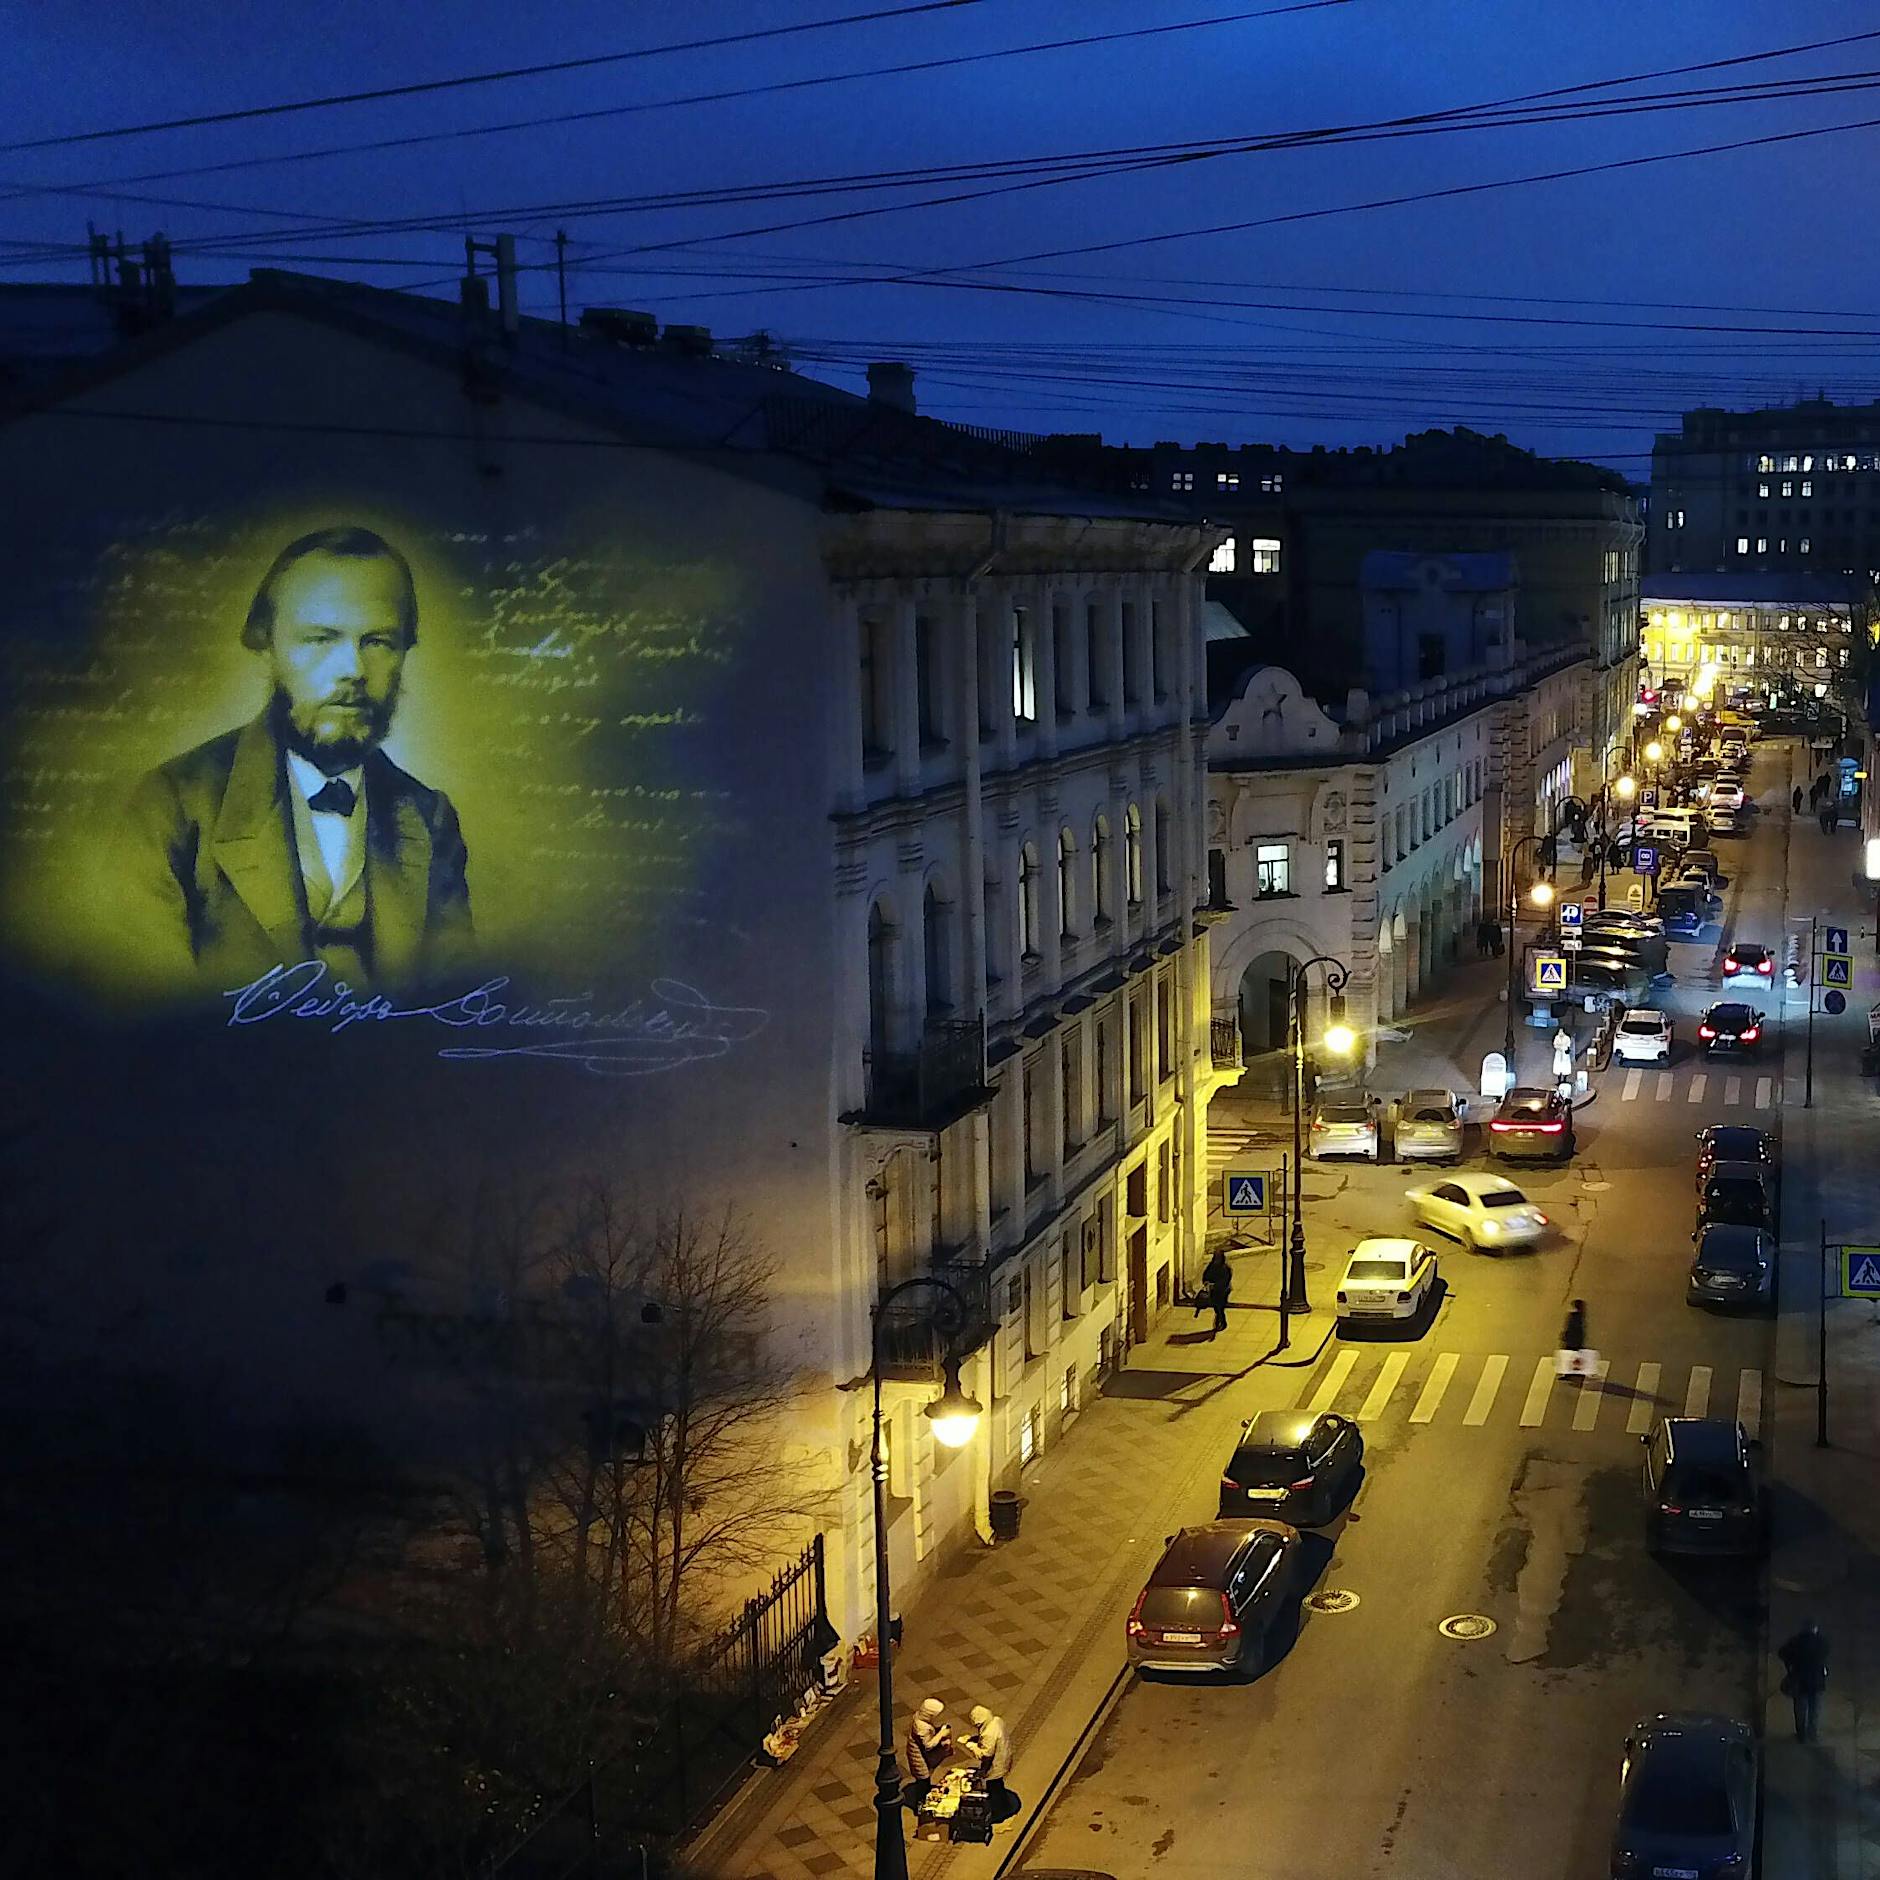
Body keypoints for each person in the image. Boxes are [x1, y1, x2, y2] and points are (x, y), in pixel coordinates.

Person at [126, 526, 473, 992]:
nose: (352, 669)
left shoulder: (429, 819)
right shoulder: (172, 807)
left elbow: (459, 1011)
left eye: (378, 642)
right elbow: (153, 1015)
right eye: (320, 639)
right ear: (268, 644)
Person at [1779, 1622, 1830, 1742]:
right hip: (1817, 1681)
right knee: (1815, 1710)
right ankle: (1813, 1734)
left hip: (1800, 1679)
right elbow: (1826, 1654)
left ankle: (1801, 1735)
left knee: (1801, 1709)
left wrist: (1790, 1664)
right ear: (1815, 1629)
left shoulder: (1796, 1641)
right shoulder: (1821, 1642)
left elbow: (1782, 1653)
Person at [962, 1705, 1013, 1817]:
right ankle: (1004, 1805)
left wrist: (971, 1745)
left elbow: (985, 1754)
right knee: (998, 1785)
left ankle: (999, 1812)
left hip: (996, 1765)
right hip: (1004, 1757)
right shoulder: (997, 1720)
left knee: (994, 1787)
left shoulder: (988, 1733)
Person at [905, 1697, 951, 1809]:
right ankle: (922, 1805)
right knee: (923, 1782)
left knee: (925, 1781)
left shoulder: (921, 1720)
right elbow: (928, 1745)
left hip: (921, 1757)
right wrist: (941, 1733)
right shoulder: (921, 1727)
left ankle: (924, 1801)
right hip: (919, 1759)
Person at [1202, 1247, 1233, 1335]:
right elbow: (1206, 1275)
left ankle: (1220, 1321)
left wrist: (1215, 1285)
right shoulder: (1212, 1266)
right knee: (1216, 1307)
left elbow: (1225, 1281)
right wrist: (1206, 1282)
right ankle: (1221, 1320)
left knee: (1220, 1307)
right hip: (1214, 1291)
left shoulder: (1225, 1268)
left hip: (1223, 1291)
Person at [1557, 1298, 1589, 1379]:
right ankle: (1578, 1372)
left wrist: (1565, 1336)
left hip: (1572, 1339)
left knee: (1570, 1356)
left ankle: (1569, 1373)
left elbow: (1570, 1327)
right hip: (1576, 1339)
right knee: (1576, 1355)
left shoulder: (1574, 1316)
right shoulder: (1580, 1316)